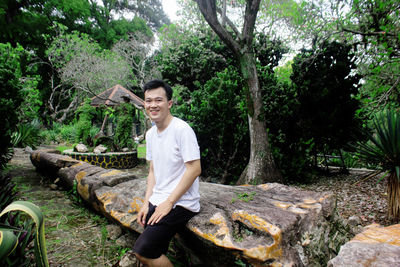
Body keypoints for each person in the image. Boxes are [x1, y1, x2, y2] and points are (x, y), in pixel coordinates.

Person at [133, 80, 201, 267]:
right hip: (159, 199)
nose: (153, 105)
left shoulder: (182, 130)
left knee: (143, 251)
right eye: (148, 101)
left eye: (158, 100)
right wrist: (147, 203)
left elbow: (195, 168)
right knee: (155, 248)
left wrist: (169, 203)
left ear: (169, 103)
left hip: (181, 202)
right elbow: (153, 171)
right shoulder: (150, 134)